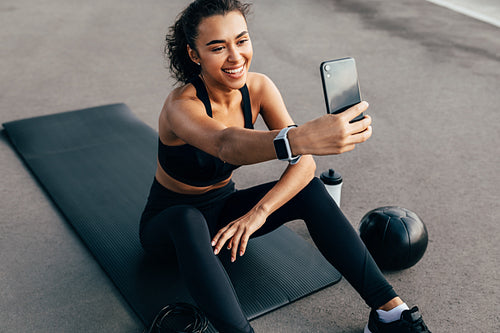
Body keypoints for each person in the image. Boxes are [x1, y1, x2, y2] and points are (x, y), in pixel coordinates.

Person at [139, 0, 431, 332]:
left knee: (311, 188)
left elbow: (304, 166)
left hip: (224, 214)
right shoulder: (181, 106)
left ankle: (390, 313)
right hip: (168, 225)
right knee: (187, 217)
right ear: (195, 55)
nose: (236, 56)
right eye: (218, 47)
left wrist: (258, 213)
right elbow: (225, 143)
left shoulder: (259, 87)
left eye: (242, 40)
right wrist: (297, 139)